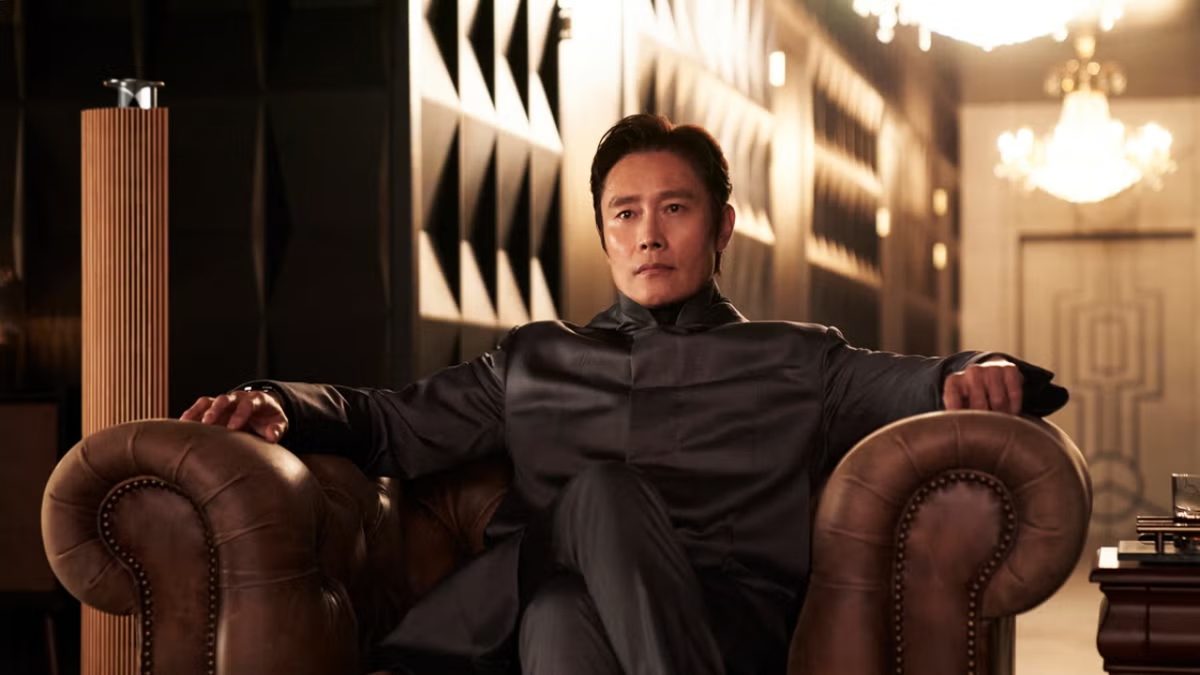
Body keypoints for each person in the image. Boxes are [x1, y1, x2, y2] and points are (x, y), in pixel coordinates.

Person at [181, 114, 1067, 675]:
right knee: (573, 572)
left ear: (721, 228)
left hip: (728, 625)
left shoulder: (798, 359)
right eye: (625, 212)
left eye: (675, 209)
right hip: (556, 608)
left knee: (568, 590)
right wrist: (273, 399)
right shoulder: (536, 359)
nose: (649, 235)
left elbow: (918, 377)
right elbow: (384, 421)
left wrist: (984, 366)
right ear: (605, 233)